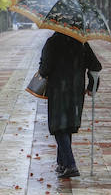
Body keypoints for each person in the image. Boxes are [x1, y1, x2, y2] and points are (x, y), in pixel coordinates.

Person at [38, 31, 102, 179]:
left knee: (59, 127)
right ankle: (62, 163)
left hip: (58, 91)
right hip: (76, 90)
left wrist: (43, 64)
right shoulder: (81, 42)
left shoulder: (52, 42)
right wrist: (92, 86)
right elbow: (95, 66)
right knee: (67, 126)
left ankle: (71, 165)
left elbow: (44, 70)